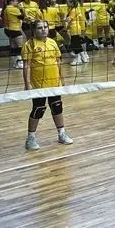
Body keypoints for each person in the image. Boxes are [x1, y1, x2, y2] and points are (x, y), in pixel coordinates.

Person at [21, 19, 73, 150]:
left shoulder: (53, 42)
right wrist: (27, 84)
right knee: (38, 109)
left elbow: (58, 62)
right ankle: (30, 138)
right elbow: (26, 66)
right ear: (34, 30)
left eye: (45, 27)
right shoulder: (29, 45)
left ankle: (61, 134)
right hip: (38, 85)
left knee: (57, 107)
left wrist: (62, 79)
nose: (43, 29)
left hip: (54, 83)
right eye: (40, 28)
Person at [2, 0, 25, 69]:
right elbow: (22, 16)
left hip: (8, 29)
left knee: (13, 47)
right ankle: (20, 62)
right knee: (20, 46)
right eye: (15, 1)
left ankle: (15, 63)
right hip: (15, 29)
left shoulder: (6, 9)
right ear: (11, 2)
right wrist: (21, 8)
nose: (17, 2)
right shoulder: (13, 9)